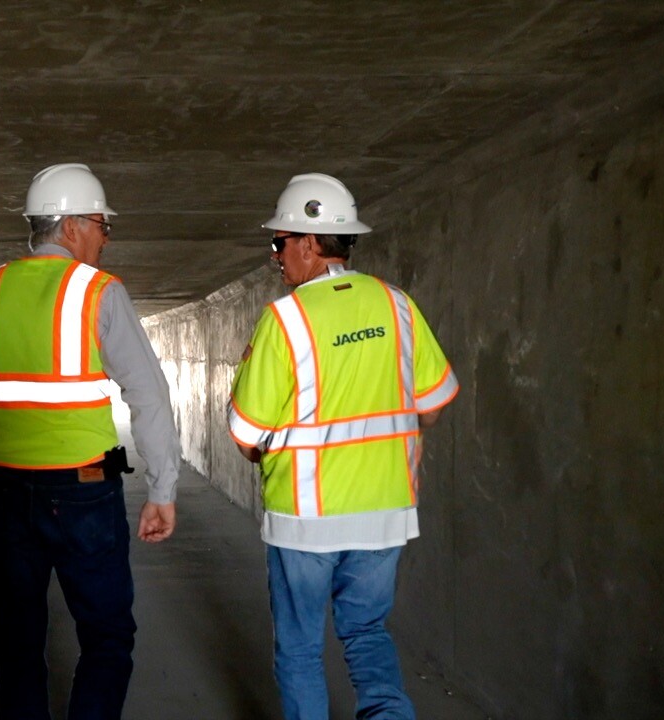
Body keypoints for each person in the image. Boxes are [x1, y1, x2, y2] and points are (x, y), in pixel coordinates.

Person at [0, 163, 180, 719]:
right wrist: (163, 488)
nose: (105, 238)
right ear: (69, 228)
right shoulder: (98, 292)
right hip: (85, 491)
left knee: (18, 647)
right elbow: (150, 395)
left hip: (7, 494)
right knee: (107, 637)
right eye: (100, 225)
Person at [227, 173, 459, 720]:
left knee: (302, 648)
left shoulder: (285, 319)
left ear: (309, 243)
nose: (276, 257)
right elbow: (436, 398)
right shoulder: (397, 305)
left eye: (279, 243)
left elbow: (245, 433)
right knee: (367, 632)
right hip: (384, 512)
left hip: (307, 519)